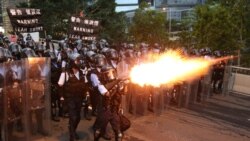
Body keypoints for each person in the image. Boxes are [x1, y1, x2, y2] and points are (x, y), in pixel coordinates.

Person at [58, 62, 87, 141]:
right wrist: (61, 97)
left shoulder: (82, 73)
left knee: (78, 117)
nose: (76, 70)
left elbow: (85, 84)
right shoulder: (65, 74)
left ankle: (73, 130)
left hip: (79, 98)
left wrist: (86, 96)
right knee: (73, 117)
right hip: (70, 98)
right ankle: (72, 136)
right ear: (72, 67)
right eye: (75, 68)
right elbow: (60, 85)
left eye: (77, 69)